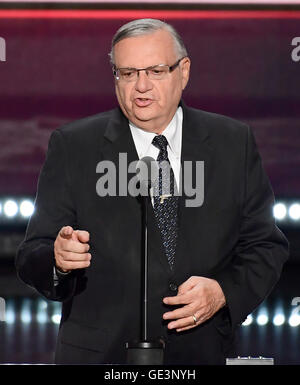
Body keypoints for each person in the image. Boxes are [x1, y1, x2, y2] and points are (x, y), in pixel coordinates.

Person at [16, 18, 289, 365]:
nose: (141, 86)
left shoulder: (233, 143)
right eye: (127, 73)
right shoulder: (74, 147)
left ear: (184, 71)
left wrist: (223, 293)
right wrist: (57, 260)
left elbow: (266, 246)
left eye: (156, 71)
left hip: (201, 355)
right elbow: (31, 254)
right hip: (103, 358)